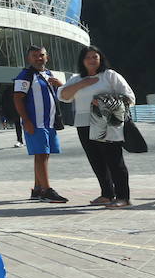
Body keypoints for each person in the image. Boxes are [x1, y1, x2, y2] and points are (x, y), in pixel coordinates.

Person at [57, 46, 136, 207]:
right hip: (83, 124)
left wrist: (103, 101)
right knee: (96, 161)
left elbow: (129, 97)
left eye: (95, 57)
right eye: (88, 58)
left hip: (107, 123)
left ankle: (123, 197)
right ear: (82, 61)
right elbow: (63, 96)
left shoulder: (110, 76)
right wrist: (83, 83)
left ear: (101, 59)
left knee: (114, 160)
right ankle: (107, 194)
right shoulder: (76, 79)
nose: (92, 60)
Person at [14, 45, 65, 202]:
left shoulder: (49, 74)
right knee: (41, 154)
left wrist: (61, 85)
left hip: (49, 123)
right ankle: (46, 190)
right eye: (34, 55)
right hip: (36, 123)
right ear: (29, 58)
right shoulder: (25, 75)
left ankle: (38, 188)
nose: (38, 58)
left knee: (45, 154)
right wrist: (27, 121)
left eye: (41, 55)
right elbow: (17, 98)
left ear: (47, 57)